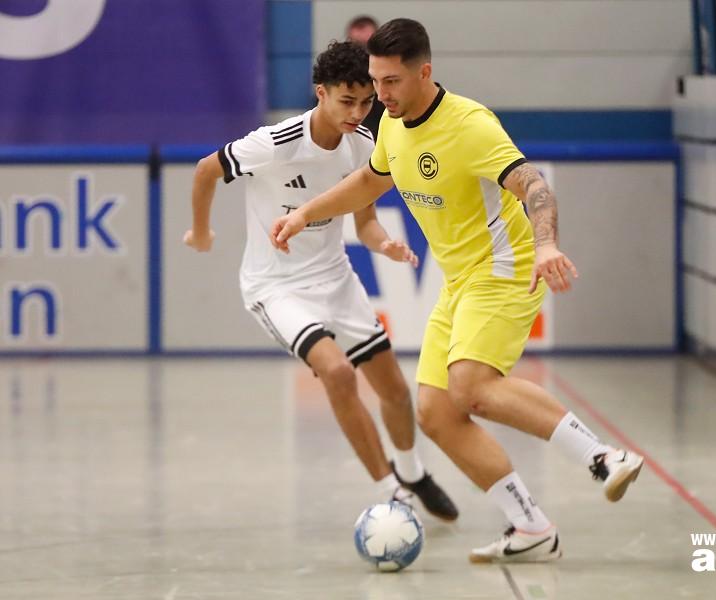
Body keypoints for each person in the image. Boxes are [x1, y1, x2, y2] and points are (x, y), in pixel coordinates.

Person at [271, 19, 643, 563]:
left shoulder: (470, 126)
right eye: (376, 81)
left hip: (504, 268)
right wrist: (305, 213)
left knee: (471, 387)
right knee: (437, 413)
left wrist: (546, 244)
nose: (380, 94)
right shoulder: (391, 123)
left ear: (424, 72)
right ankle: (531, 528)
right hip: (460, 281)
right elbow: (370, 181)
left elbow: (533, 185)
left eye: (392, 81)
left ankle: (602, 457)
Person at [184, 40, 457, 522]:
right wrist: (201, 231)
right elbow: (207, 170)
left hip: (336, 279)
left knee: (396, 390)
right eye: (346, 101)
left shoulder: (365, 146)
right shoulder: (276, 142)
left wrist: (384, 245)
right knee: (337, 373)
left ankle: (412, 472)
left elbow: (365, 223)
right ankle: (391, 491)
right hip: (276, 287)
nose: (357, 112)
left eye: (366, 102)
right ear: (321, 93)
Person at [345, 15, 386, 138]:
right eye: (357, 46)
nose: (363, 54)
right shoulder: (332, 85)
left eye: (367, 46)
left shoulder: (389, 91)